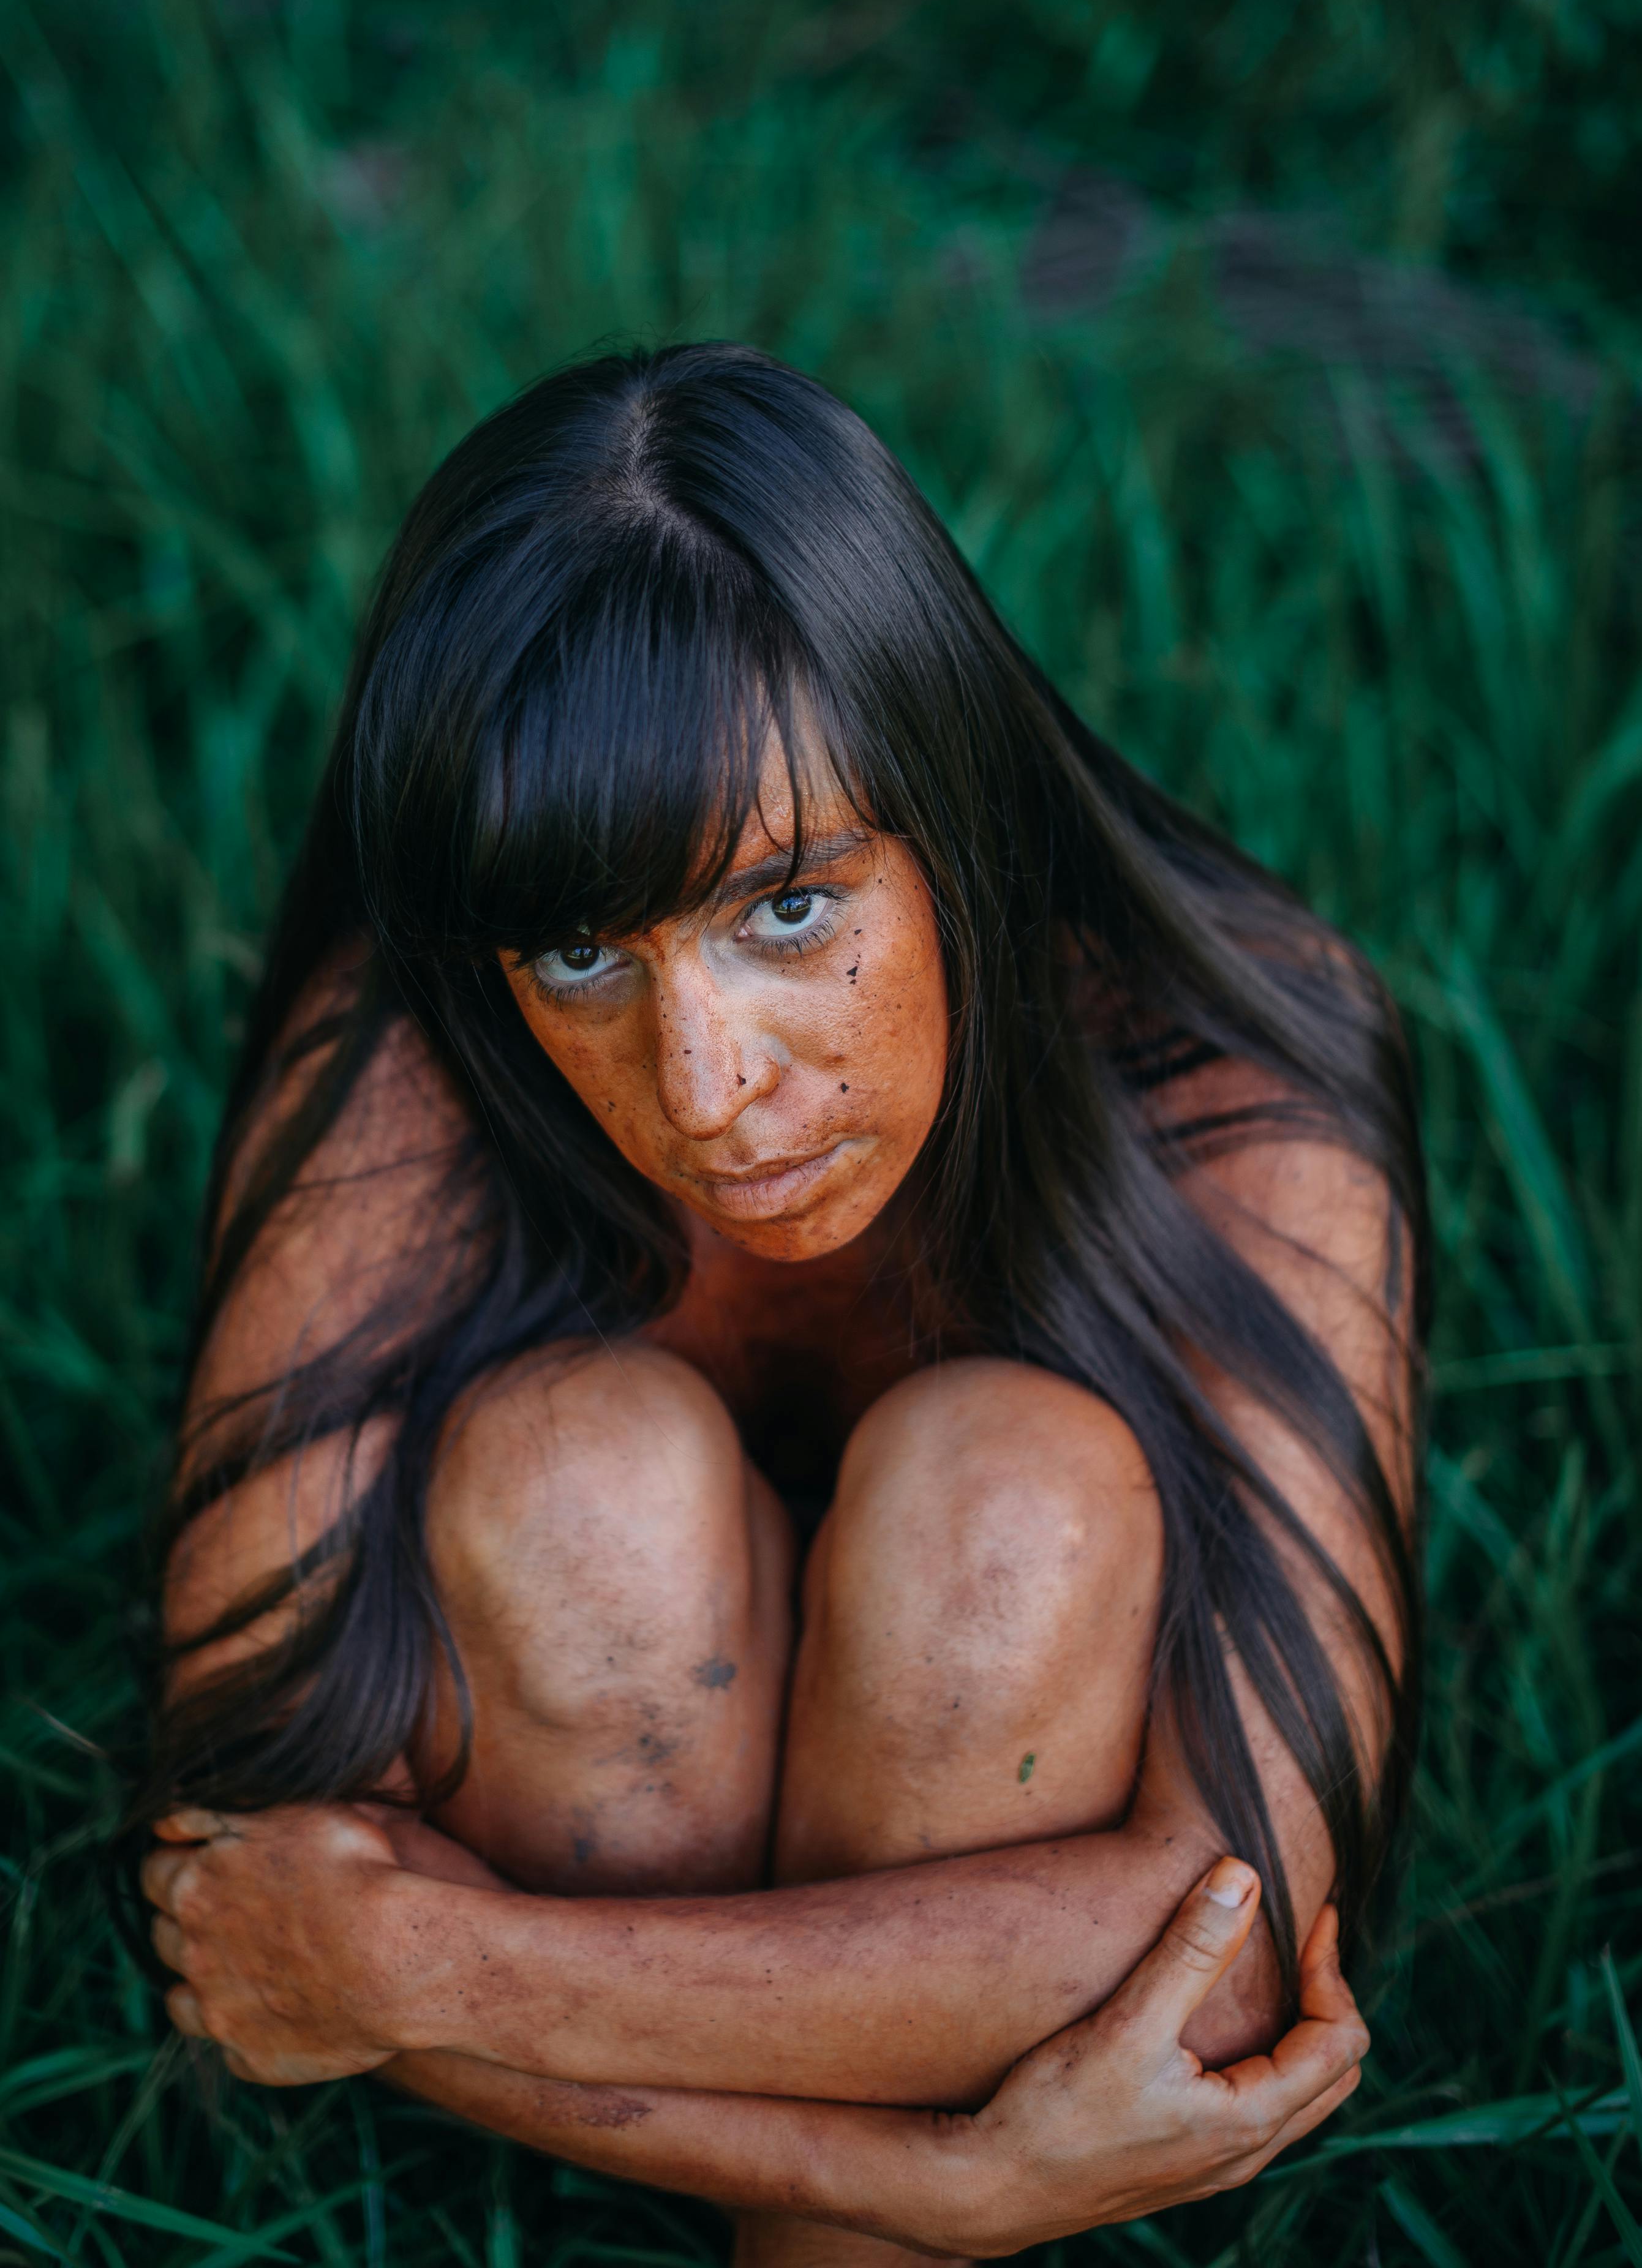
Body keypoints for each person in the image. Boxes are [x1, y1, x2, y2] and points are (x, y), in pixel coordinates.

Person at [136, 343, 1422, 2262]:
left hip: (901, 1704)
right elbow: (236, 1891)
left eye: (789, 910)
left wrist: (432, 1964)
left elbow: (1228, 1944)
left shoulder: (1229, 1080)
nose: (703, 1084)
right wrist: (927, 2175)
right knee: (583, 1462)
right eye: (583, 950)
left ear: (960, 809)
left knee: (1013, 1488)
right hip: (660, 1802)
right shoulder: (415, 1082)